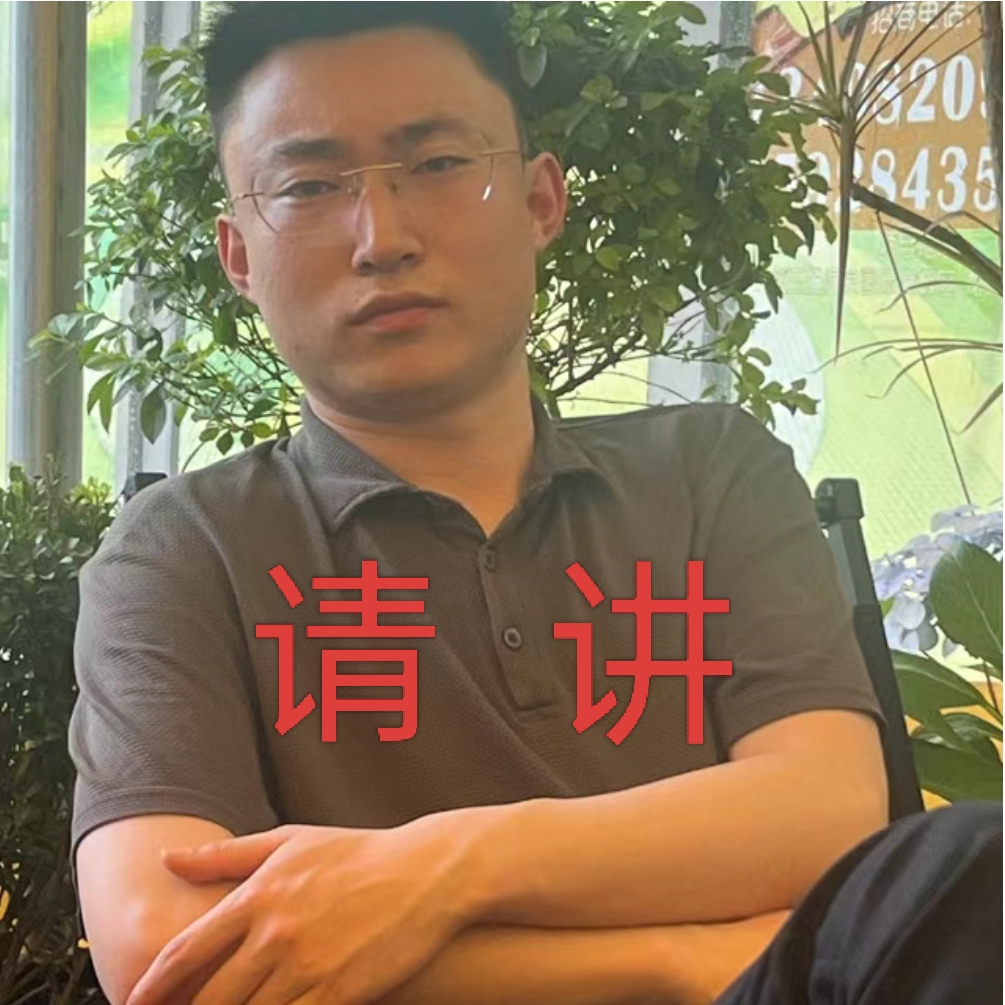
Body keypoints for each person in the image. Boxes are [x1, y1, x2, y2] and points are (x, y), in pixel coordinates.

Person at [68, 4, 1001, 1004]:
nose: (382, 238)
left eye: (437, 164)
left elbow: (824, 808)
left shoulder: (708, 468)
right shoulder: (185, 550)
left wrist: (443, 867)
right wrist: (675, 963)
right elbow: (164, 949)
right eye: (307, 186)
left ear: (540, 198)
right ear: (239, 256)